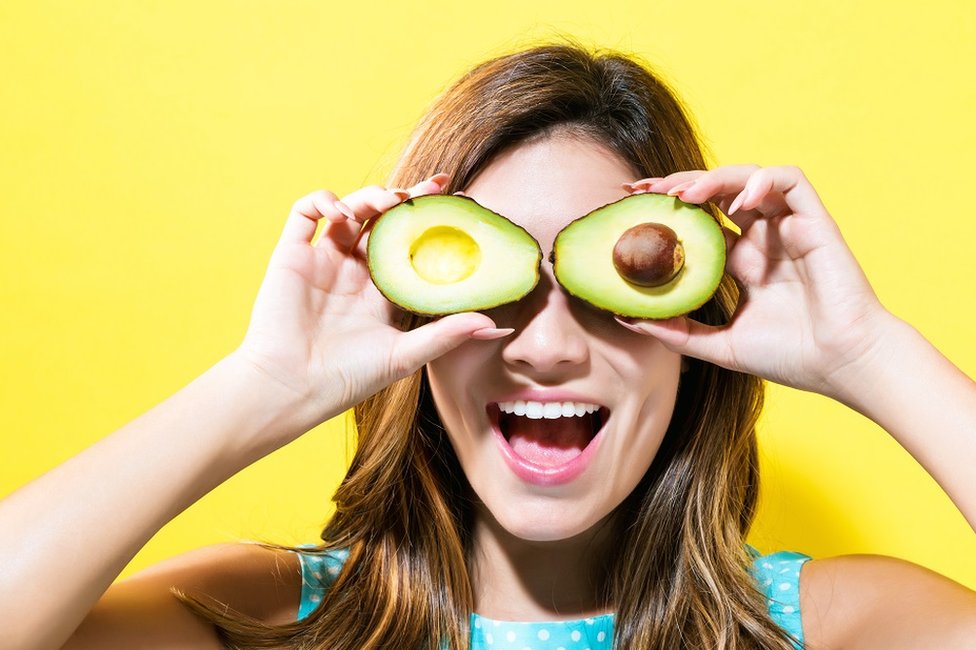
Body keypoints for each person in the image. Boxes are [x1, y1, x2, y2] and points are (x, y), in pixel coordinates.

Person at [2, 39, 975, 650]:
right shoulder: (256, 617)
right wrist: (258, 384)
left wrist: (866, 351)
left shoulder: (837, 627)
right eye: (497, 291)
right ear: (411, 324)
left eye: (614, 290)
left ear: (698, 331)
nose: (546, 348)